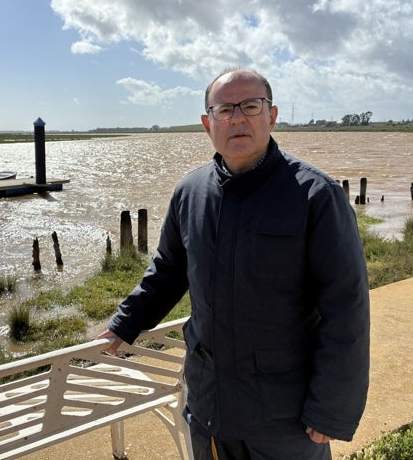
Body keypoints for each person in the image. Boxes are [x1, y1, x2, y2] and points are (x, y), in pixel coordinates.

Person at [98, 68, 370, 459]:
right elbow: (167, 271)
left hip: (284, 413)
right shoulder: (190, 193)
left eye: (250, 105)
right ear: (208, 123)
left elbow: (347, 308)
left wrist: (331, 407)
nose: (237, 118)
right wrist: (124, 324)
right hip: (209, 401)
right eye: (225, 109)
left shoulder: (315, 196)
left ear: (271, 116)